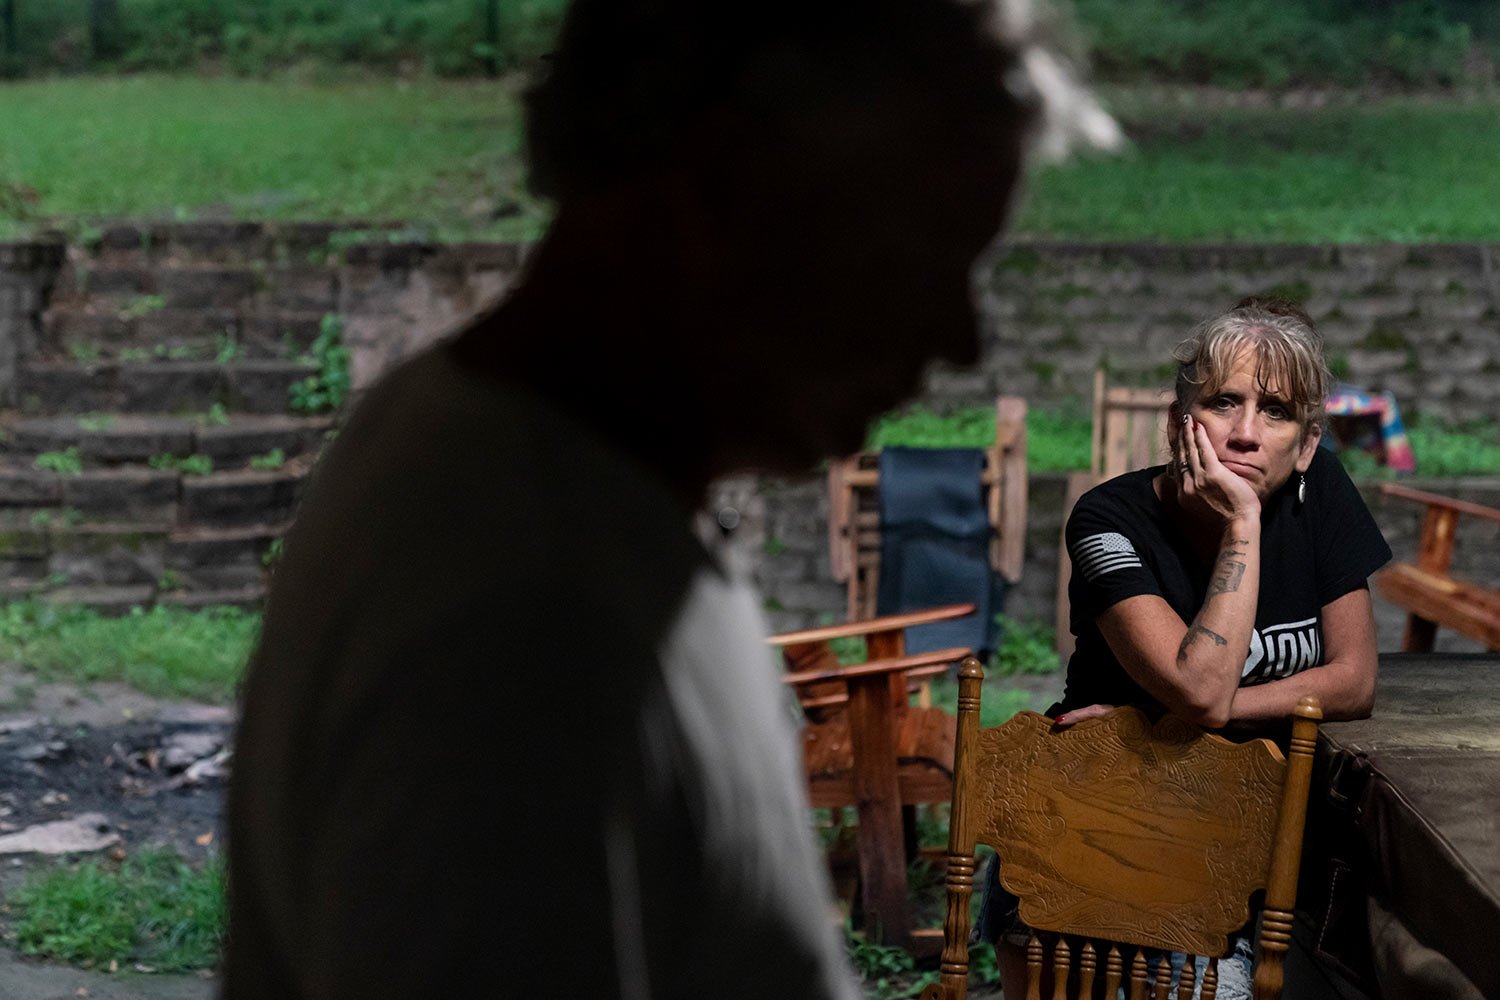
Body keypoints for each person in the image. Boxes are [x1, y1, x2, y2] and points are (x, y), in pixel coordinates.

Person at [222, 2, 1115, 997]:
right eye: (920, 254)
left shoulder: (577, 505)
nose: (960, 339)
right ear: (723, 186)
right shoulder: (519, 633)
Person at [979, 298, 1392, 998]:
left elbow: (1354, 681)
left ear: (1308, 445)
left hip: (1242, 847)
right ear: (1180, 423)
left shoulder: (1318, 493)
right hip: (1100, 831)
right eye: (1224, 402)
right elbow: (1200, 685)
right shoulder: (1109, 520)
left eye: (1277, 412)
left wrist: (1174, 719)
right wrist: (1243, 527)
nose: (1246, 433)